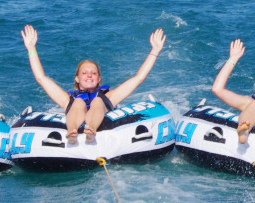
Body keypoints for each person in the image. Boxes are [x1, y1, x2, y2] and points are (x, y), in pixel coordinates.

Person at [21, 25, 166, 144]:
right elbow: (41, 78)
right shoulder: (67, 100)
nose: (89, 75)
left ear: (99, 80)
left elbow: (138, 78)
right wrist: (31, 48)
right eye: (84, 73)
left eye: (93, 73)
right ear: (77, 79)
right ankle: (72, 131)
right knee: (78, 102)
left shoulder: (109, 97)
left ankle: (91, 129)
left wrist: (155, 50)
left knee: (97, 101)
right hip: (75, 116)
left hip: (102, 123)